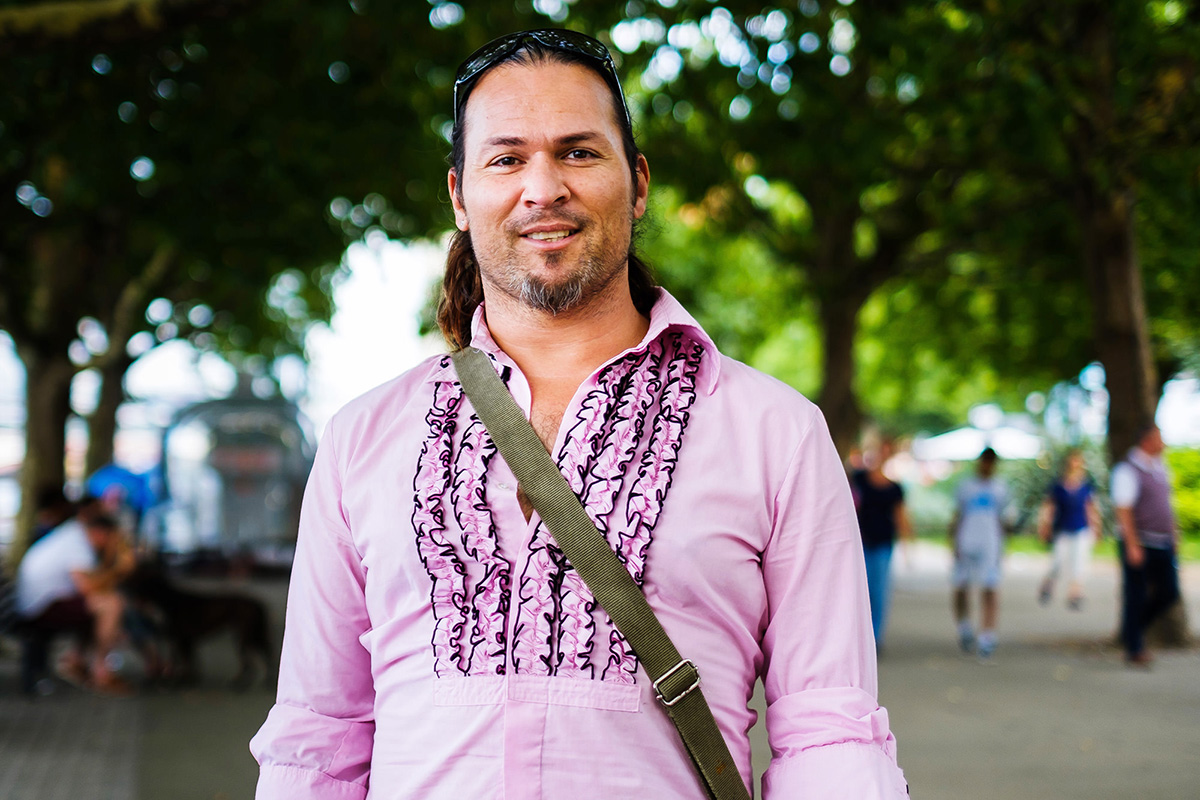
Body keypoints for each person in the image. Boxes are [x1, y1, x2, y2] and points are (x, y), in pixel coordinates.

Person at [251, 29, 906, 799]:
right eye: (507, 158)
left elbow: (829, 732)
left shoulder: (776, 434)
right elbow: (317, 738)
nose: (543, 187)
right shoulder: (364, 438)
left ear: (638, 183)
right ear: (461, 197)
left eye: (578, 153)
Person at [14, 510, 135, 694]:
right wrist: (118, 568)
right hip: (39, 607)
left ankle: (77, 661)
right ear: (102, 533)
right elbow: (88, 587)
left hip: (36, 602)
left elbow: (94, 584)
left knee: (102, 603)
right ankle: (100, 672)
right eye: (114, 539)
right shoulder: (78, 545)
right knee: (111, 605)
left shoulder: (73, 535)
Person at [1110, 423, 1181, 667]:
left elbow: (1168, 506)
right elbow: (1124, 509)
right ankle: (1134, 646)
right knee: (1136, 593)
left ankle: (1134, 629)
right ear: (1147, 441)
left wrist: (1175, 535)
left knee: (1169, 592)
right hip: (1140, 541)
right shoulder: (1128, 470)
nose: (1163, 443)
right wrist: (1132, 544)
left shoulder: (1161, 467)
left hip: (1163, 542)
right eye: (1159, 438)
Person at [850, 438, 913, 650]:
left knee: (879, 591)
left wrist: (908, 547)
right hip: (860, 543)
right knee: (859, 590)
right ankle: (858, 635)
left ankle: (874, 637)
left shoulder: (894, 488)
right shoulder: (858, 479)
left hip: (883, 543)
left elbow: (901, 517)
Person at [949, 447, 1010, 659]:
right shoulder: (966, 487)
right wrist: (953, 543)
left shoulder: (1000, 488)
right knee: (961, 587)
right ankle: (964, 627)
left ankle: (987, 636)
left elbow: (1003, 519)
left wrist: (1003, 547)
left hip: (990, 543)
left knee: (990, 587)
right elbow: (957, 515)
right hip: (967, 541)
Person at [1036, 448, 1100, 610]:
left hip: (1081, 528)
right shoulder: (1058, 485)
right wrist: (1045, 525)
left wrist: (1096, 527)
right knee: (1057, 561)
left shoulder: (1086, 486)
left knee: (1080, 562)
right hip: (1063, 528)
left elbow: (1091, 508)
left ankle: (1075, 594)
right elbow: (1049, 506)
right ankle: (1048, 585)